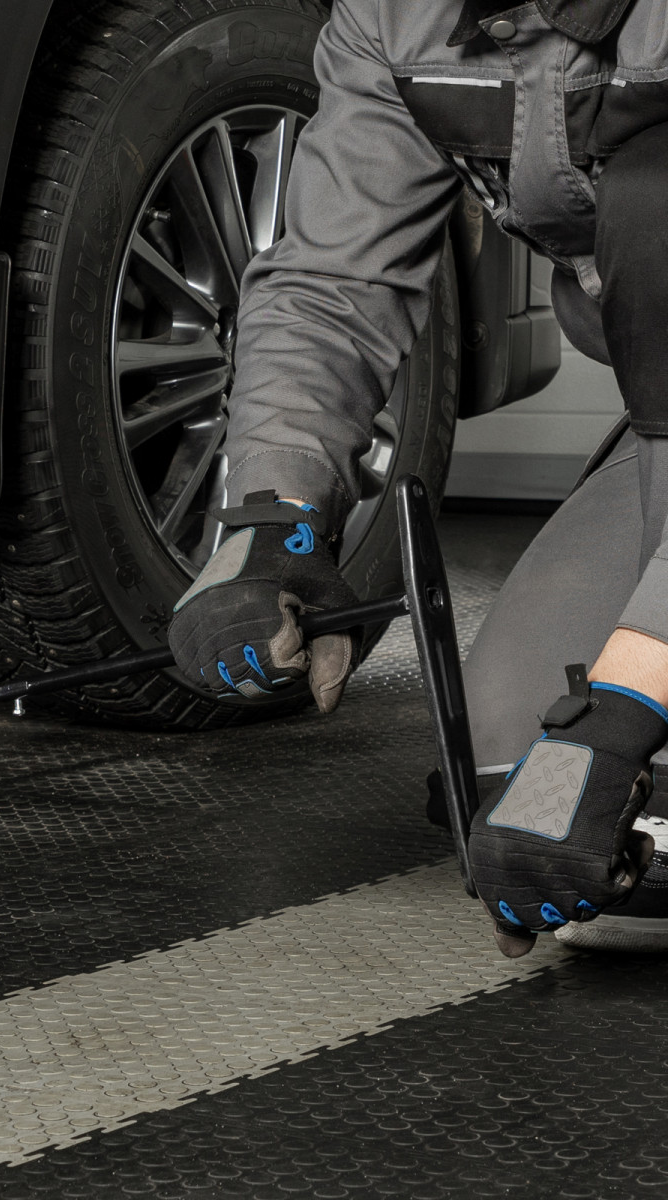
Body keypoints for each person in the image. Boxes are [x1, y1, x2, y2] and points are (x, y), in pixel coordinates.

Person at [167, 0, 668, 957]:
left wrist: (622, 713)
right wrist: (272, 522)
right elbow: (332, 282)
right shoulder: (398, 16)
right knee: (509, 766)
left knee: (657, 202)